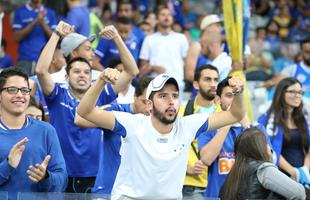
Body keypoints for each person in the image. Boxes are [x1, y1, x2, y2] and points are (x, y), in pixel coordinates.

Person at [77, 72, 245, 200]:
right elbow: (84, 111)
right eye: (163, 96)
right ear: (149, 105)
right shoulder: (133, 123)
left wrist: (238, 93)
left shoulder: (187, 125)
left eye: (175, 96)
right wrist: (100, 81)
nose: (171, 101)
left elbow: (235, 115)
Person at [36, 22, 139, 193]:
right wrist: (56, 34)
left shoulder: (101, 93)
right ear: (67, 77)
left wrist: (116, 38)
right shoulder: (56, 94)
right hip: (61, 173)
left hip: (95, 173)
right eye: (76, 72)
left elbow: (131, 71)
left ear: (92, 77)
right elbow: (40, 70)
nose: (82, 75)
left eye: (86, 72)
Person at [75, 76, 153, 195]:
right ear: (135, 96)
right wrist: (101, 80)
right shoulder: (118, 111)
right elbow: (80, 119)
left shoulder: (160, 122)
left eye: (152, 104)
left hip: (140, 193)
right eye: (144, 102)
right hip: (108, 191)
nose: (148, 109)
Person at [0, 67, 67, 200]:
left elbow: (62, 181)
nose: (19, 95)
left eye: (24, 90)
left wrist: (45, 177)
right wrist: (7, 166)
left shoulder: (47, 131)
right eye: (12, 90)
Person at [198, 77, 252, 198]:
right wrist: (229, 120)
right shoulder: (208, 126)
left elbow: (268, 161)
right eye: (229, 95)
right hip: (216, 196)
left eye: (237, 95)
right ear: (218, 100)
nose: (234, 100)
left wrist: (248, 128)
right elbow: (206, 159)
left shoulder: (256, 128)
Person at [220, 127, 306, 200]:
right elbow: (300, 193)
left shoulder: (234, 173)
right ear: (259, 147)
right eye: (266, 143)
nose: (270, 148)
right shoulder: (263, 169)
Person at [179, 64, 220, 200]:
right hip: (189, 185)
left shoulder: (225, 114)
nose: (213, 84)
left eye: (216, 80)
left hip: (220, 185)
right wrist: (185, 168)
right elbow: (165, 145)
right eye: (208, 80)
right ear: (196, 84)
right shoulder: (181, 111)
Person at [258, 78, 310, 184]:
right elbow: (268, 149)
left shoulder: (305, 118)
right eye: (293, 92)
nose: (298, 95)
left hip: (304, 173)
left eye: (300, 92)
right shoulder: (266, 119)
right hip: (278, 175)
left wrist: (304, 170)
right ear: (281, 93)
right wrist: (293, 172)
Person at [139, 7, 189, 96]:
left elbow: (187, 63)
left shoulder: (181, 38)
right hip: (156, 85)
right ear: (157, 19)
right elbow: (143, 66)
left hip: (178, 83)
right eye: (163, 14)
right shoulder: (149, 39)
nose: (166, 17)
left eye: (169, 15)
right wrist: (153, 67)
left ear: (172, 18)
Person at [13, 0, 57, 76]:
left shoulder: (50, 13)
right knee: (24, 86)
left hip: (45, 59)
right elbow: (17, 37)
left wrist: (42, 22)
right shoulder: (20, 11)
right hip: (25, 59)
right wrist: (35, 21)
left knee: (44, 87)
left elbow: (54, 38)